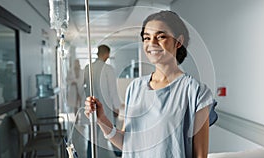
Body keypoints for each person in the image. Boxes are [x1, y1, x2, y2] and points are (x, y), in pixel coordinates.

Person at [85, 11, 214, 158]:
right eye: (147, 38)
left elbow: (200, 155)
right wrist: (102, 120)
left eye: (160, 37)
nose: (152, 43)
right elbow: (127, 144)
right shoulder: (135, 88)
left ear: (178, 41)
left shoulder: (196, 92)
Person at [84, 44, 122, 157]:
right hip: (106, 107)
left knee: (92, 135)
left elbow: (85, 87)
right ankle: (119, 153)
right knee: (112, 131)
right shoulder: (108, 69)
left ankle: (89, 155)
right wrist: (116, 107)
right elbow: (112, 90)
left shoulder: (88, 68)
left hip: (91, 106)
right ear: (106, 54)